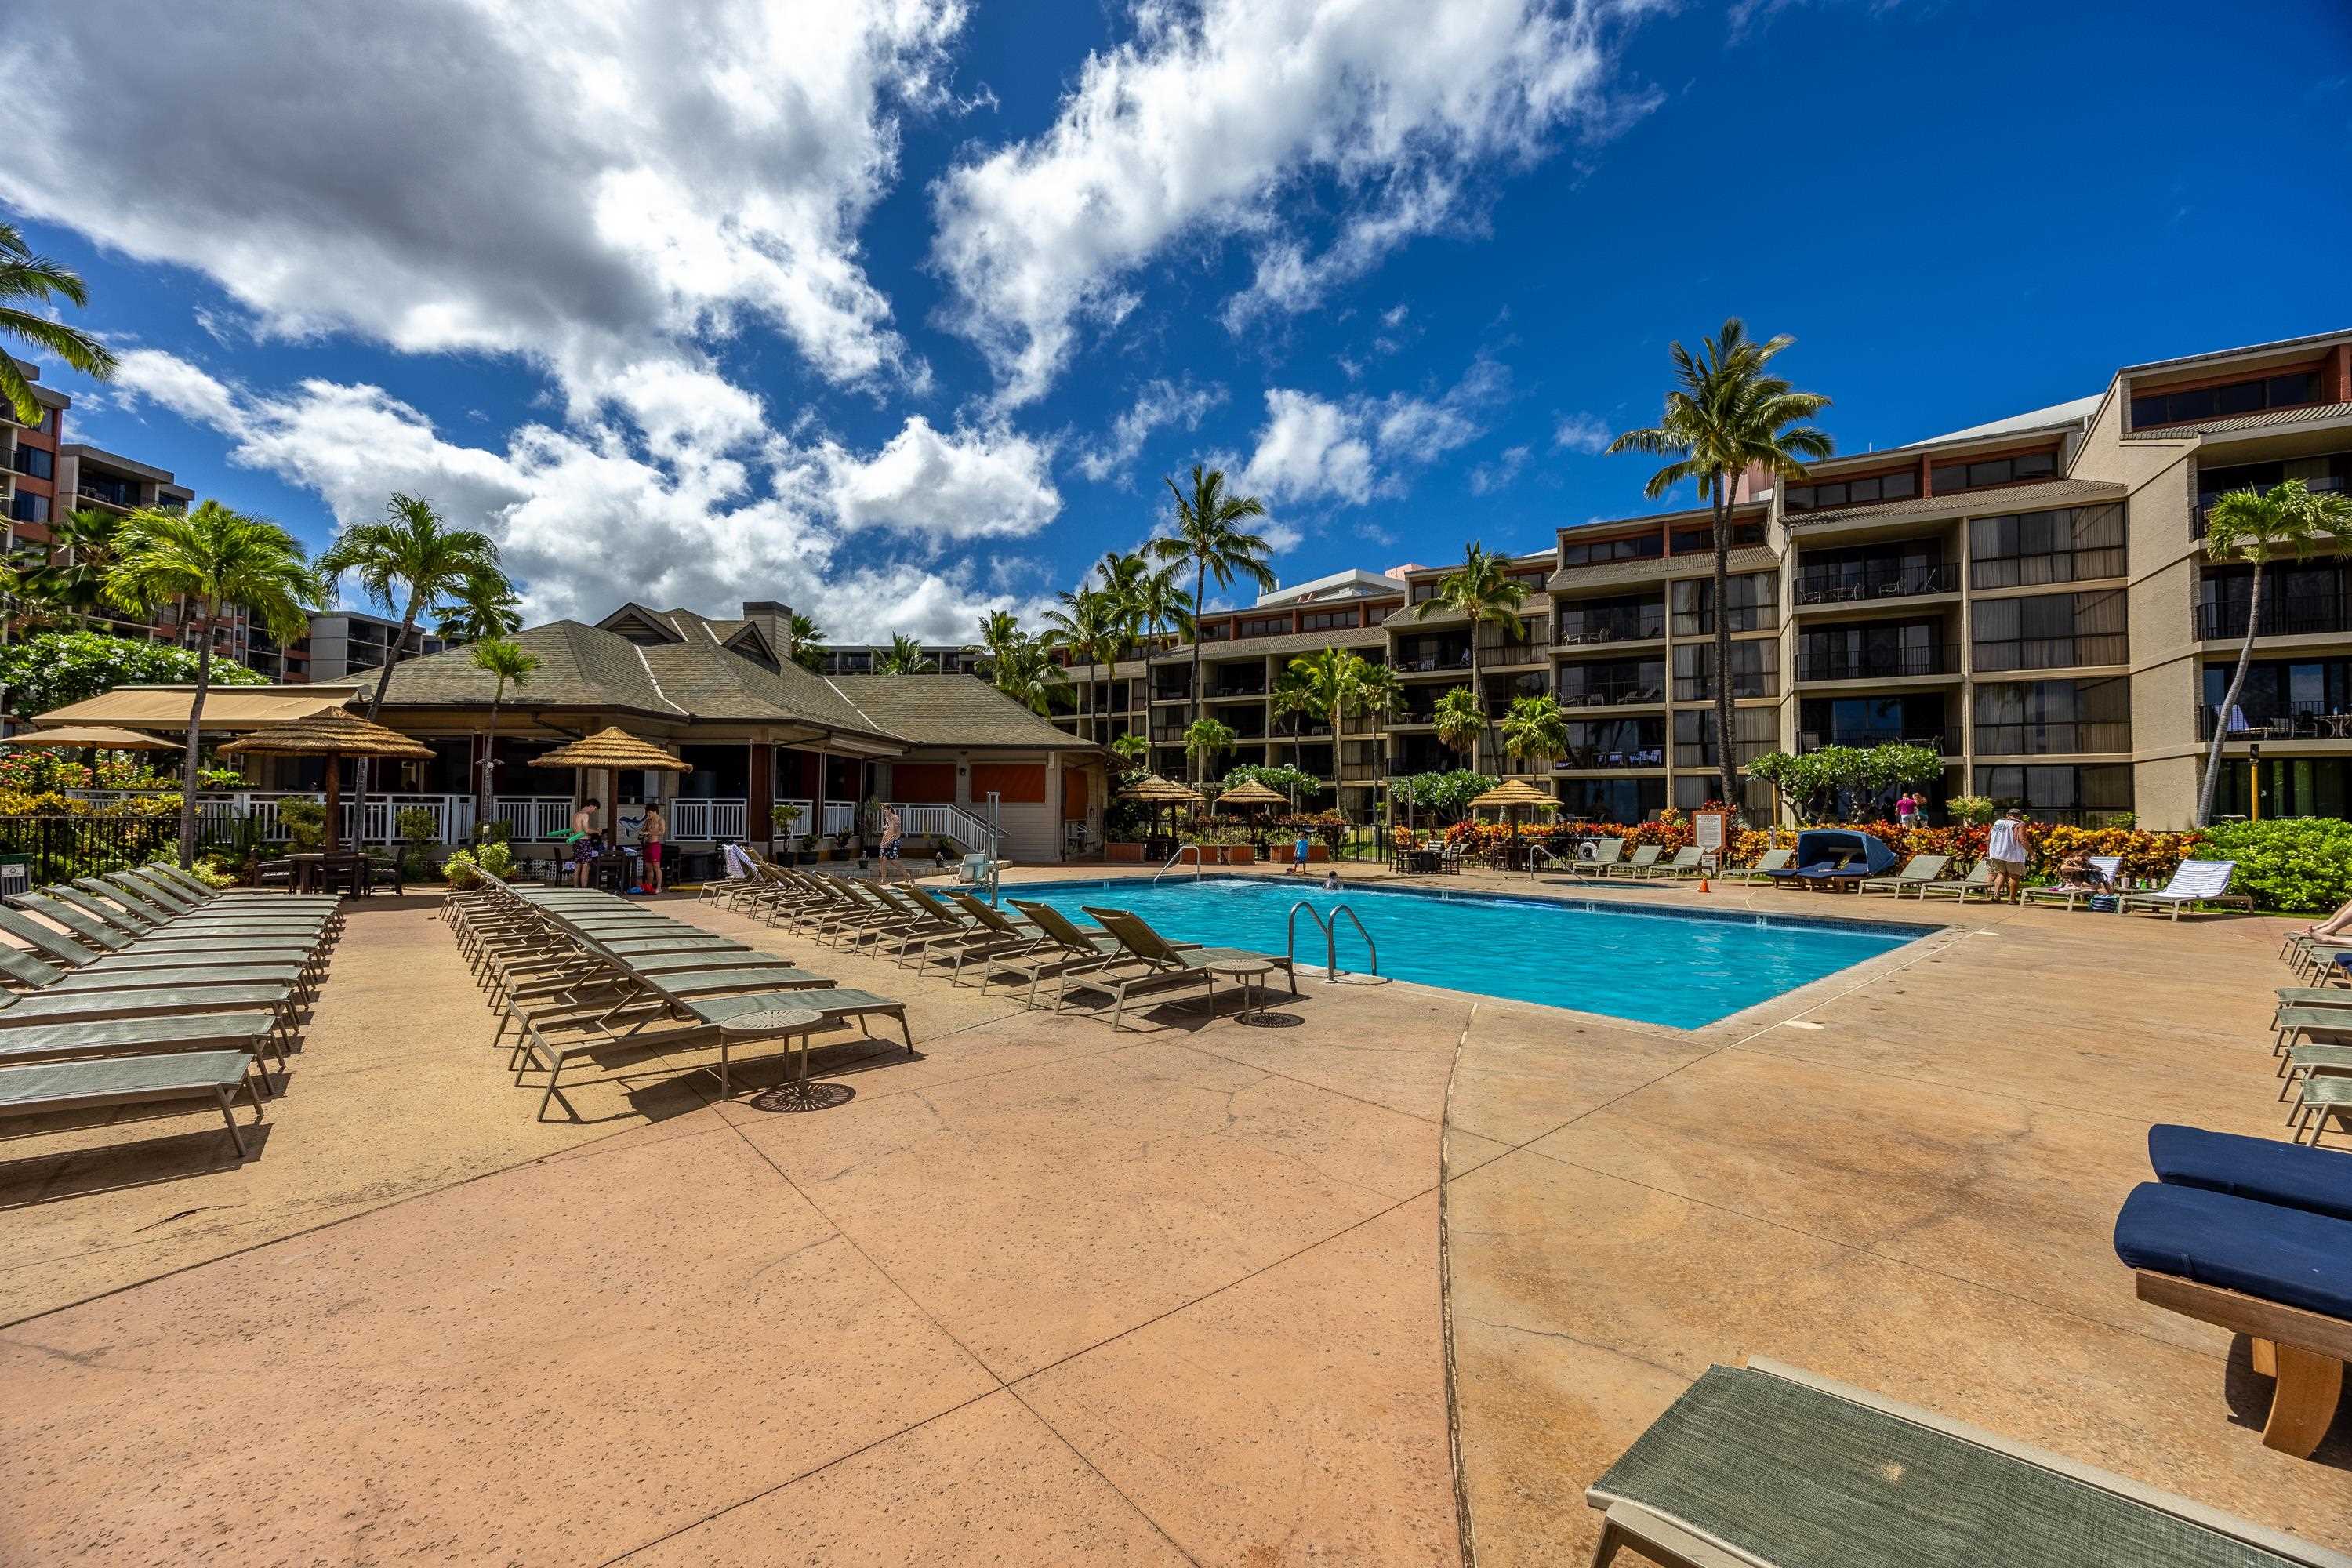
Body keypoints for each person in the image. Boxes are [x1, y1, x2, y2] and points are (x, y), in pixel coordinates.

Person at [1984, 808, 2030, 903]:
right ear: (2019, 816)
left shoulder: (1997, 823)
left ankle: (1996, 895)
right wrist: (2032, 853)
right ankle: (2012, 899)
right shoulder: (2019, 824)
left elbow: (1988, 839)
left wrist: (1989, 851)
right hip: (2012, 854)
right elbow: (2023, 840)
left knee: (2001, 873)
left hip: (1996, 854)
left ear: (2007, 815)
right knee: (2014, 876)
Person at [571, 800, 601, 887]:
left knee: (578, 866)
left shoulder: (576, 815)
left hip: (576, 841)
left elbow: (577, 829)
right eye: (595, 809)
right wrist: (597, 831)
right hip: (584, 842)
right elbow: (586, 830)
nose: (594, 811)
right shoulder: (585, 815)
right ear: (591, 806)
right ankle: (584, 889)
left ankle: (576, 888)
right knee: (585, 866)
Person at [639, 801, 666, 895]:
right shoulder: (648, 821)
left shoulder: (660, 820)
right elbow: (642, 830)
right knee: (648, 867)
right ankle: (649, 886)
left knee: (656, 867)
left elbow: (662, 832)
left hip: (655, 845)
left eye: (650, 812)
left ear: (655, 812)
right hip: (647, 845)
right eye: (647, 812)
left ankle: (659, 887)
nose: (648, 814)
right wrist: (643, 830)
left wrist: (650, 833)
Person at [879, 804, 905, 884]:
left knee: (893, 861)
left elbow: (898, 834)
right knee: (882, 860)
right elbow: (885, 832)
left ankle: (906, 875)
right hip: (885, 842)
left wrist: (888, 842)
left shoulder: (895, 819)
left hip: (894, 842)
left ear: (890, 809)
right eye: (883, 810)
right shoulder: (885, 819)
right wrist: (883, 842)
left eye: (885, 810)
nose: (884, 812)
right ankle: (883, 880)